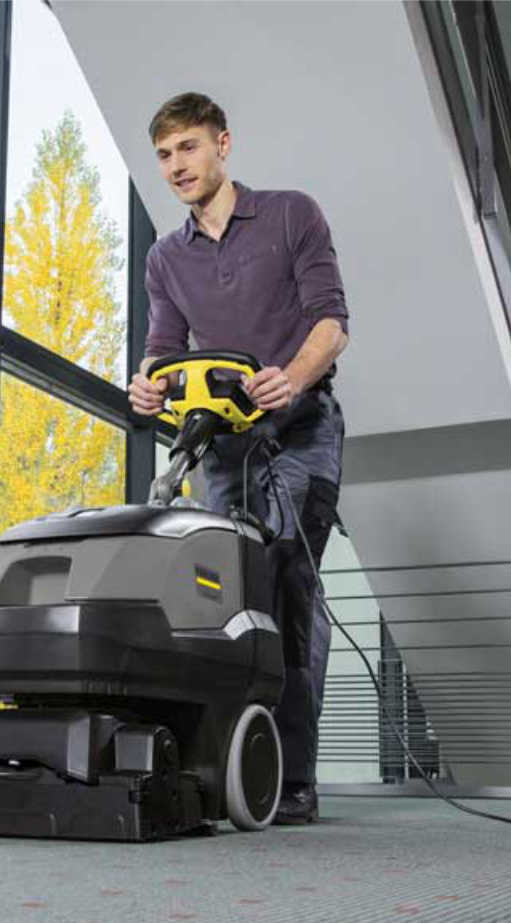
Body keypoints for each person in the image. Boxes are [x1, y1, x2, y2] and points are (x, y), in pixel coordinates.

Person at [128, 92, 350, 825]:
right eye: (163, 155)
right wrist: (149, 386)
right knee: (228, 596)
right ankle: (237, 765)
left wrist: (294, 374)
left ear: (223, 145)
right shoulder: (167, 257)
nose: (175, 166)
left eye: (188, 148)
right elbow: (164, 351)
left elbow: (331, 321)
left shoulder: (291, 215)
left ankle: (293, 778)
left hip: (300, 431)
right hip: (224, 449)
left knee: (286, 578)